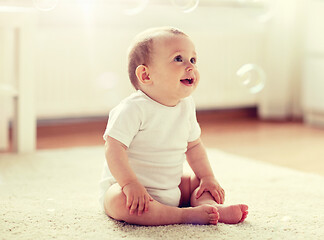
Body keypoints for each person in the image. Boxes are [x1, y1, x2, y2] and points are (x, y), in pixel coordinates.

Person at [99, 26, 248, 226]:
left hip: (171, 187)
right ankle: (184, 216)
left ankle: (211, 207)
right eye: (178, 59)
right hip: (132, 192)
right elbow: (113, 148)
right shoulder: (133, 109)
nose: (190, 66)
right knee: (117, 201)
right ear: (146, 75)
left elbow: (194, 146)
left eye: (193, 60)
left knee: (198, 182)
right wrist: (130, 184)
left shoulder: (186, 106)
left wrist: (207, 176)